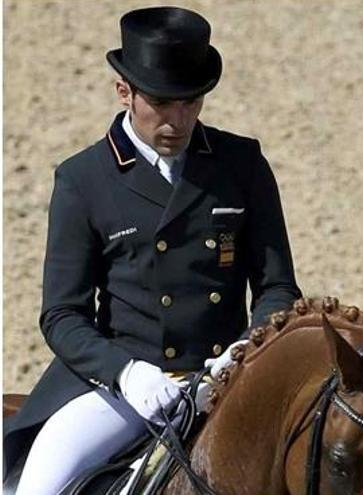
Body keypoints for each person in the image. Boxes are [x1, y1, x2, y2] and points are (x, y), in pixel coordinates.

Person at [2, 7, 301, 493]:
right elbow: (62, 315)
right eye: (162, 103)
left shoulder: (241, 164)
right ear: (125, 91)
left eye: (191, 103)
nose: (178, 121)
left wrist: (244, 354)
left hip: (222, 379)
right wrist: (128, 373)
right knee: (41, 486)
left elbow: (277, 286)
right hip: (122, 389)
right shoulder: (83, 180)